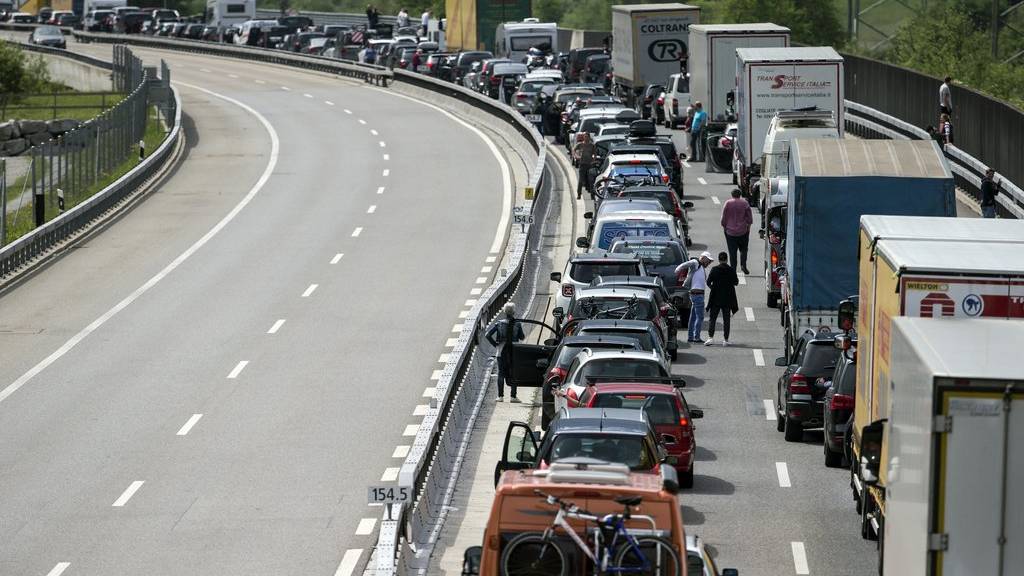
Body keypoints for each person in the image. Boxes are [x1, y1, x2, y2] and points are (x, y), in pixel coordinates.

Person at [485, 303, 525, 402]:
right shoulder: (517, 324)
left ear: (504, 312)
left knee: (501, 373)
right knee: (513, 372)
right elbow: (522, 337)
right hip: (513, 351)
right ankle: (513, 396)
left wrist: (495, 344)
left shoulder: (499, 323)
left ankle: (500, 396)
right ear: (514, 312)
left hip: (501, 350)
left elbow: (488, 335)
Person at [675, 251, 715, 344]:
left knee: (693, 317)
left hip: (695, 295)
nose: (708, 263)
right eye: (708, 261)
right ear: (703, 258)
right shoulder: (696, 263)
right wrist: (678, 269)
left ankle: (690, 336)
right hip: (697, 295)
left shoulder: (700, 267)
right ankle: (696, 337)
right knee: (700, 317)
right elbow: (687, 263)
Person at [705, 252, 739, 346]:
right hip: (727, 299)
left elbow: (708, 282)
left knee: (713, 319)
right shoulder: (731, 270)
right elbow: (736, 282)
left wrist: (714, 288)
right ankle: (726, 339)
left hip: (715, 298)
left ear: (719, 260)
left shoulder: (714, 269)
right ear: (727, 259)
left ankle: (710, 338)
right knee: (726, 320)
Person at [721, 188, 753, 274]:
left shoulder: (728, 203)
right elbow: (749, 218)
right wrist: (748, 226)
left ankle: (733, 269)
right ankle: (743, 265)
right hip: (743, 231)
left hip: (730, 232)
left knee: (732, 252)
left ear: (732, 195)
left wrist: (724, 226)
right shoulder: (745, 203)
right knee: (744, 249)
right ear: (740, 194)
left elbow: (724, 218)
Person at [576, 132, 596, 200]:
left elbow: (595, 153)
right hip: (582, 164)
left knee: (591, 180)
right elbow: (574, 150)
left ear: (589, 137)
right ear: (583, 137)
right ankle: (579, 194)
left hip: (589, 164)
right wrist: (577, 156)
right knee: (581, 180)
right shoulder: (580, 144)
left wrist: (593, 160)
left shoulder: (592, 145)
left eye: (587, 136)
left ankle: (592, 195)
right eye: (585, 136)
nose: (586, 138)